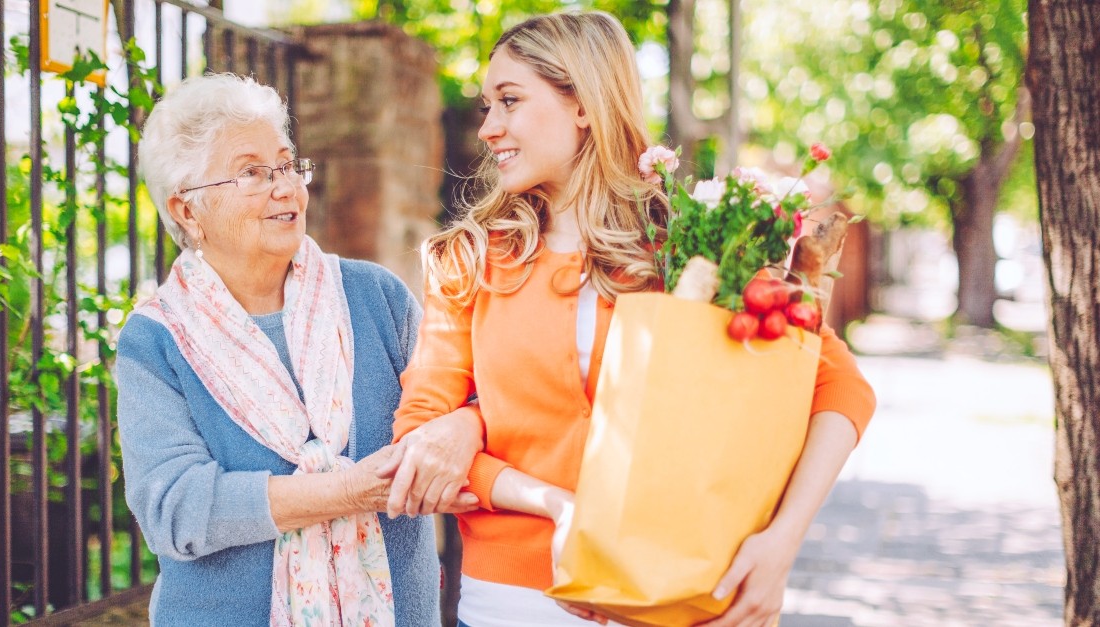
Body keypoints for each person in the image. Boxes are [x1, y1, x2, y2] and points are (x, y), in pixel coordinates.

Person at [387, 12, 877, 627]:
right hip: (512, 605)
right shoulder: (470, 260)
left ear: (584, 104)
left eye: (509, 101)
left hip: (679, 593)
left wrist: (779, 544)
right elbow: (418, 444)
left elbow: (839, 385)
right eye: (487, 106)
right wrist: (563, 507)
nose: (488, 127)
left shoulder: (694, 245)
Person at [116, 73, 476, 626]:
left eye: (286, 165)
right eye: (252, 173)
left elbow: (467, 407)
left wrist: (462, 426)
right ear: (187, 211)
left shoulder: (375, 295)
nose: (285, 187)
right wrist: (349, 491)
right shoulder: (156, 339)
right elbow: (177, 509)